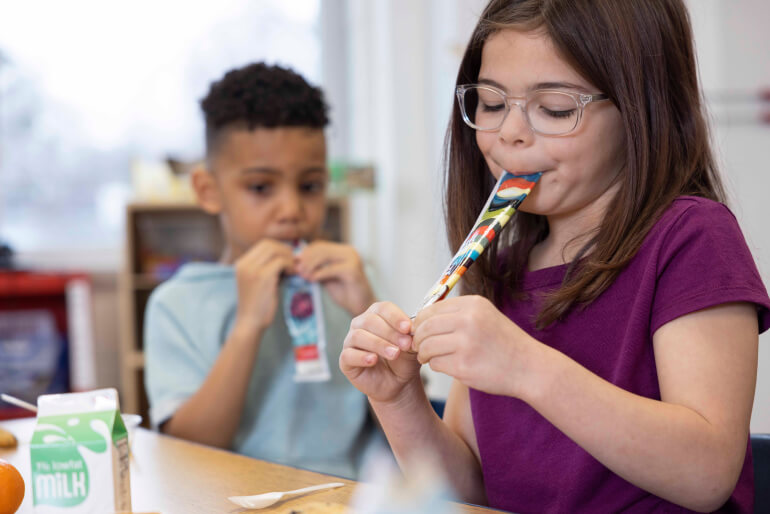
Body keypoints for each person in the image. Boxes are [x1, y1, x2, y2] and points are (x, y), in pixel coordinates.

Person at [339, 0, 770, 512]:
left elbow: (706, 475)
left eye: (557, 108)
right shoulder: (499, 266)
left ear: (642, 109)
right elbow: (469, 491)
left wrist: (526, 367)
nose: (510, 132)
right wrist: (398, 399)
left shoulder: (692, 237)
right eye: (492, 103)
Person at [145, 62, 381, 479]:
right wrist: (247, 326)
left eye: (309, 186)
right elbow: (187, 452)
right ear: (208, 190)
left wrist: (369, 310)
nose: (291, 211)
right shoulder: (176, 304)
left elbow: (407, 435)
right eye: (260, 187)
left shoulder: (350, 287)